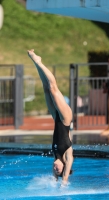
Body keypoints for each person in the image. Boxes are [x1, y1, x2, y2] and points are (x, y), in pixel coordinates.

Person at [27, 49, 73, 185]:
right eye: (58, 170)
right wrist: (64, 182)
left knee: (46, 88)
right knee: (53, 88)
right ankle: (38, 62)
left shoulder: (55, 154)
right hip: (65, 118)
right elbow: (67, 170)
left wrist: (55, 179)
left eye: (55, 170)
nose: (55, 168)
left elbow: (54, 177)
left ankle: (36, 63)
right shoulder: (67, 154)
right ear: (64, 168)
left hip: (56, 117)